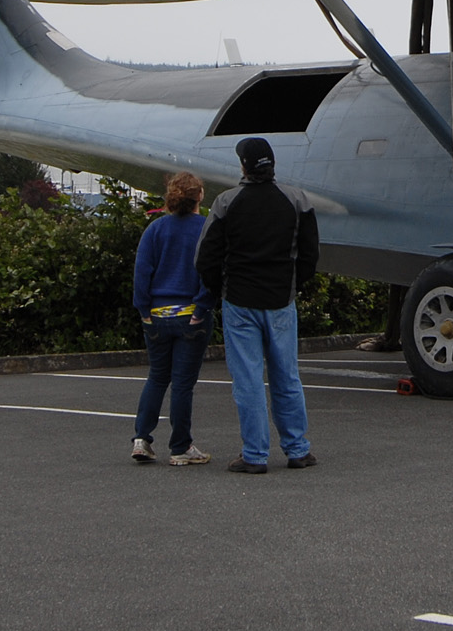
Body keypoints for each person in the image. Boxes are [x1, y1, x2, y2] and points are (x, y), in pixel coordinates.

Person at [196, 137, 318, 474]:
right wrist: (293, 286)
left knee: (248, 379)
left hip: (239, 300)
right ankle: (297, 449)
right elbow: (310, 255)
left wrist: (219, 288)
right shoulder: (296, 199)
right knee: (287, 376)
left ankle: (254, 454)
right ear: (272, 164)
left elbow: (205, 257)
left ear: (244, 166)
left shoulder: (226, 202)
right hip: (281, 299)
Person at [131, 171, 212, 466]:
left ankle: (142, 438)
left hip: (157, 316)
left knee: (157, 376)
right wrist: (201, 308)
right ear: (199, 196)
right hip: (191, 314)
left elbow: (142, 272)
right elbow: (210, 272)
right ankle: (180, 446)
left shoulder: (155, 229)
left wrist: (144, 311)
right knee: (182, 384)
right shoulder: (205, 228)